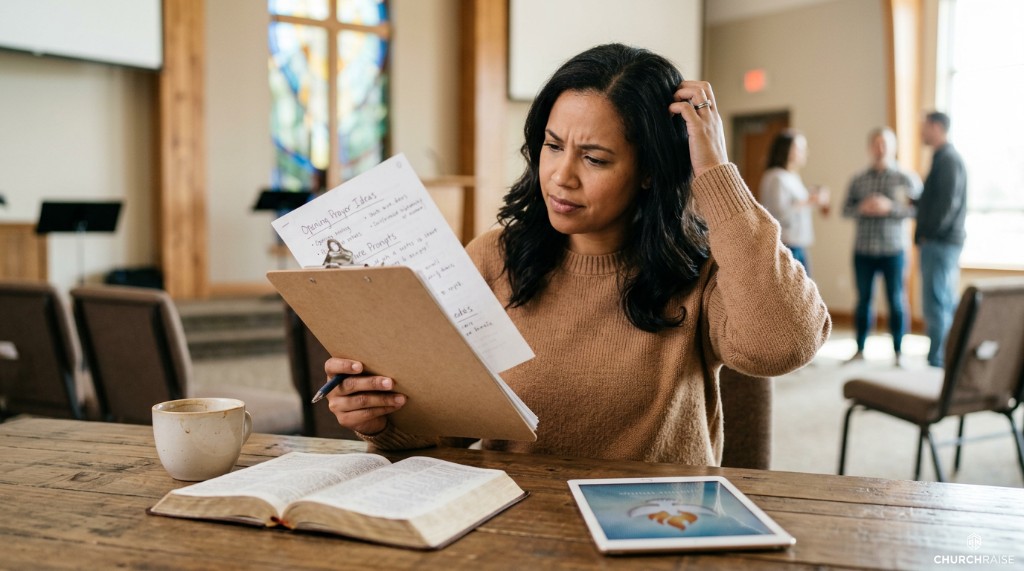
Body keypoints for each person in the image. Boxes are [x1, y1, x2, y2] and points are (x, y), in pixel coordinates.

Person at [322, 44, 831, 466]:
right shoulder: (495, 258)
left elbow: (780, 345)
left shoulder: (701, 270)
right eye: (552, 145)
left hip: (655, 529)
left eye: (594, 158)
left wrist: (715, 173)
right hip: (517, 528)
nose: (561, 176)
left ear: (649, 171)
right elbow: (445, 434)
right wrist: (382, 420)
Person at [842, 128, 922, 367]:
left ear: (893, 147)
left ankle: (898, 353)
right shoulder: (858, 179)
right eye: (876, 144)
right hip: (863, 250)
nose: (881, 149)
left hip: (893, 250)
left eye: (885, 144)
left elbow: (918, 210)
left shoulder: (906, 178)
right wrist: (862, 208)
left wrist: (890, 208)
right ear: (870, 147)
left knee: (897, 300)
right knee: (863, 300)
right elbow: (845, 210)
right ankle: (859, 349)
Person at [916, 111, 967, 368]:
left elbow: (947, 203)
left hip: (940, 243)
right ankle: (947, 357)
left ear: (936, 127)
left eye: (924, 127)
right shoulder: (942, 158)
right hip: (940, 242)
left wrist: (928, 233)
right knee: (944, 301)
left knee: (937, 304)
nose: (921, 131)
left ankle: (938, 361)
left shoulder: (948, 159)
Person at [759, 130, 830, 276]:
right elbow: (777, 214)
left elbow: (796, 205)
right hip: (786, 245)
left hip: (798, 244)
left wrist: (810, 199)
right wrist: (808, 201)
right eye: (801, 148)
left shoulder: (792, 176)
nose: (806, 153)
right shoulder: (775, 177)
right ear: (787, 150)